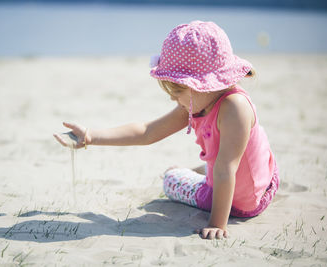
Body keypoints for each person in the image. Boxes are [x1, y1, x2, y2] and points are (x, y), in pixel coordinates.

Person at [53, 21, 279, 240]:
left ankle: (192, 171)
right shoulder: (199, 104)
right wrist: (91, 136)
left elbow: (225, 171)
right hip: (247, 181)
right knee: (220, 162)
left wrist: (217, 224)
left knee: (171, 178)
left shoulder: (234, 108)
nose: (172, 97)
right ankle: (203, 168)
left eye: (176, 90)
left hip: (245, 202)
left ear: (198, 85)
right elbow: (147, 132)